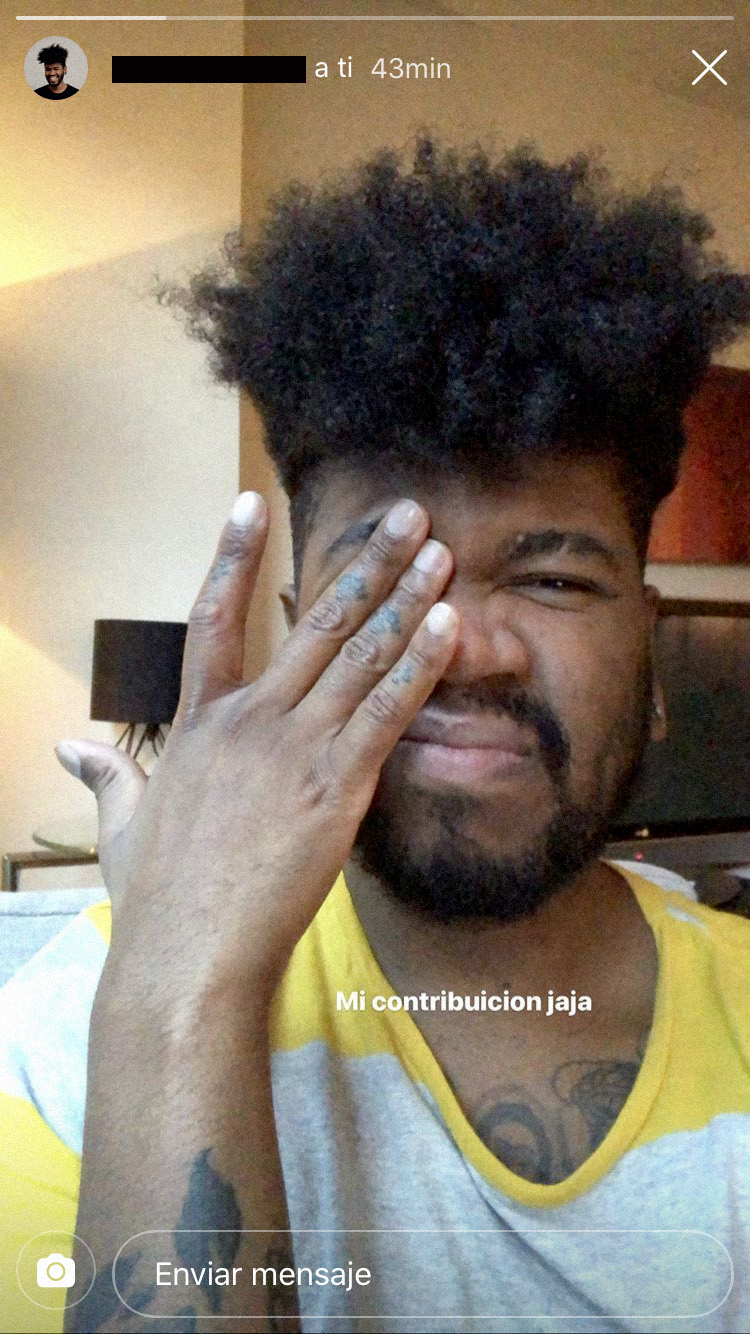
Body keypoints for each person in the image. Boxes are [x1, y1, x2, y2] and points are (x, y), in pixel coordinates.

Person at [2, 137, 750, 1334]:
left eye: (556, 580)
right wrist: (181, 981)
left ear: (649, 648)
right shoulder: (79, 1023)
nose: (470, 645)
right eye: (389, 582)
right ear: (297, 626)